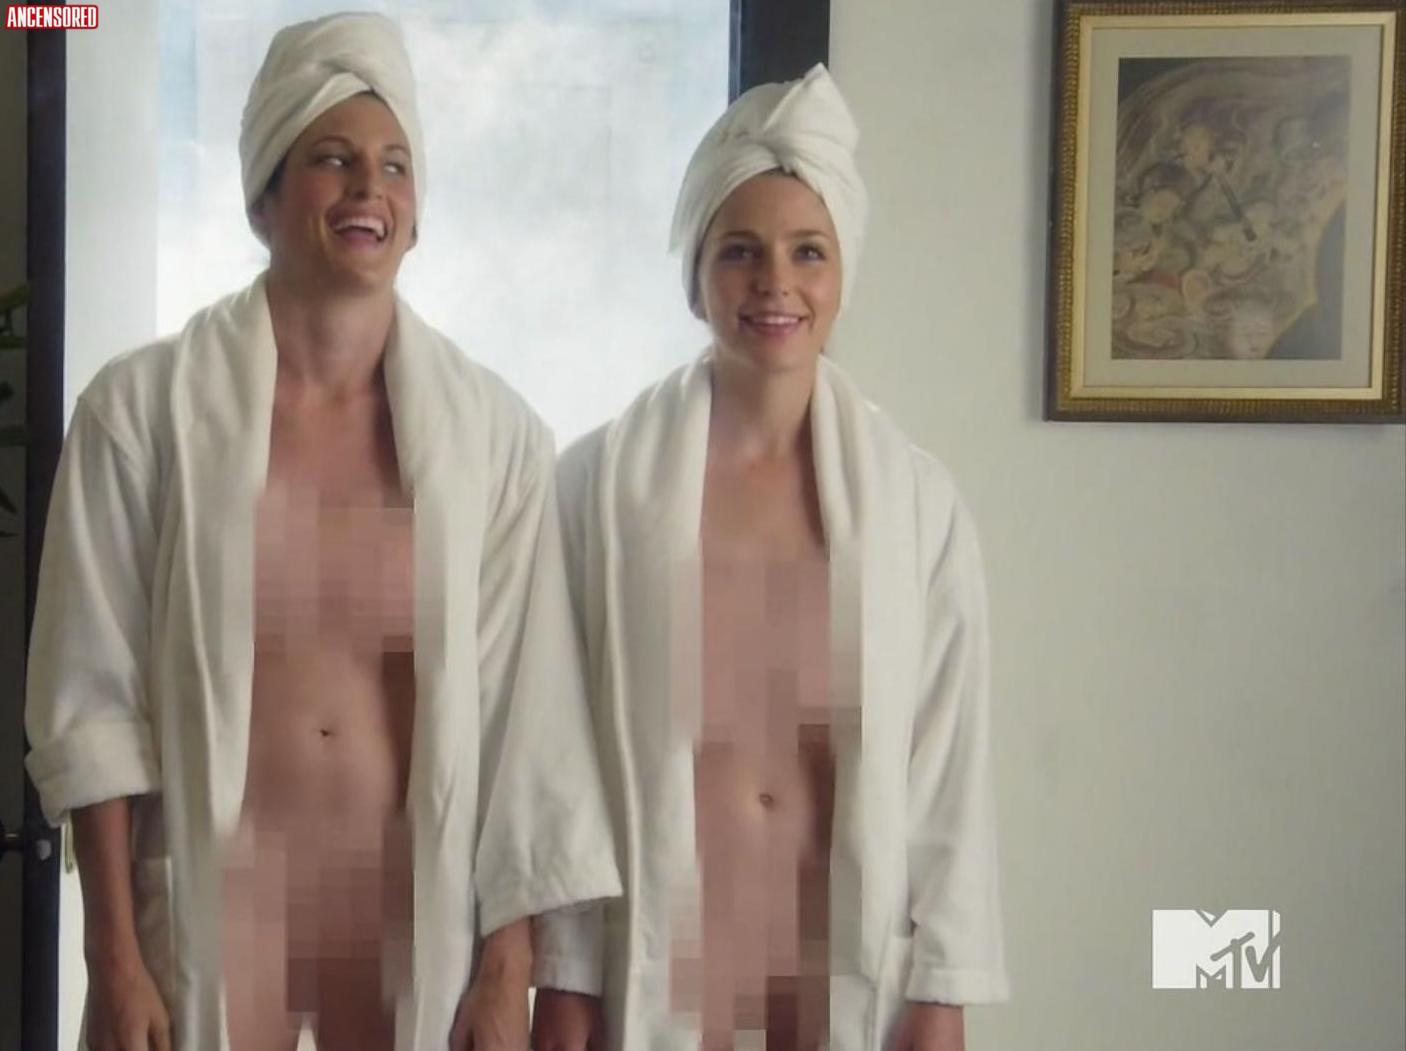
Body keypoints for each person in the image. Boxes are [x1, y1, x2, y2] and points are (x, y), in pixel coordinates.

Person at [24, 13, 619, 1051]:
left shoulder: (497, 440)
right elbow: (93, 702)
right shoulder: (140, 412)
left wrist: (507, 967)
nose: (365, 190)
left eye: (393, 166)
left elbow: (529, 726)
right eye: (331, 159)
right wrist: (112, 960)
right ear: (263, 196)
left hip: (407, 918)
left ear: (416, 213)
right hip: (214, 911)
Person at [531, 65, 1008, 1050]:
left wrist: (943, 989)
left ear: (843, 272)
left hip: (839, 970)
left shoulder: (918, 506)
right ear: (697, 272)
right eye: (739, 251)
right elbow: (557, 756)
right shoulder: (594, 490)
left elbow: (948, 765)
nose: (774, 282)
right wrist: (565, 979)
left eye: (807, 252)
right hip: (656, 969)